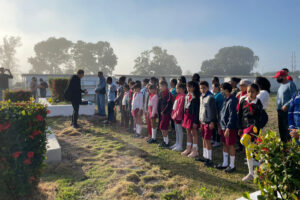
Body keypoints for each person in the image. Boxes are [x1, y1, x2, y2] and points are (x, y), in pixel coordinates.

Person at [238, 83, 263, 182]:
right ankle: (251, 173)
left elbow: (260, 118)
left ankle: (259, 160)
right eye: (248, 91)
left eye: (252, 92)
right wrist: (239, 127)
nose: (250, 94)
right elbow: (239, 115)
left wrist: (255, 128)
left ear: (257, 92)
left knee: (244, 142)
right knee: (248, 150)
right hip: (244, 127)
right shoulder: (243, 101)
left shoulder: (258, 103)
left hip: (253, 128)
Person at [215, 82, 238, 173]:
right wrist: (220, 125)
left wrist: (228, 128)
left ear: (227, 90)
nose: (221, 92)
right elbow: (222, 113)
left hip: (229, 128)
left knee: (230, 145)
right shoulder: (225, 99)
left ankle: (232, 165)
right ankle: (225, 163)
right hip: (223, 126)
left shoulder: (232, 100)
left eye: (222, 90)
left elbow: (232, 116)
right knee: (224, 144)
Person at [196, 81, 217, 166]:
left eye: (204, 88)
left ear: (208, 88)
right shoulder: (201, 96)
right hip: (202, 121)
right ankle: (205, 157)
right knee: (204, 139)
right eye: (201, 88)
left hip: (209, 122)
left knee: (208, 140)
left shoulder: (210, 97)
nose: (202, 90)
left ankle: (210, 159)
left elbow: (213, 111)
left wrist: (212, 121)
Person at [274, 70, 297, 142]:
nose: (277, 79)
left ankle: (289, 144)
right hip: (280, 110)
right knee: (281, 128)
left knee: (287, 128)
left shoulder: (290, 84)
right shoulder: (281, 86)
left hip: (287, 110)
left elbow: (294, 96)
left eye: (278, 77)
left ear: (284, 77)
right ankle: (283, 143)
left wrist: (287, 105)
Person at [181, 81, 200, 157]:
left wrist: (195, 121)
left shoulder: (196, 97)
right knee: (188, 132)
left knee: (194, 133)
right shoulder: (186, 96)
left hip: (193, 116)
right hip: (187, 116)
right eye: (187, 86)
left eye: (190, 87)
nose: (188, 88)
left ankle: (195, 150)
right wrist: (183, 117)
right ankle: (188, 149)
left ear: (194, 88)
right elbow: (184, 107)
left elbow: (197, 111)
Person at [171, 83, 186, 151]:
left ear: (181, 89)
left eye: (177, 88)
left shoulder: (183, 97)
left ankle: (180, 145)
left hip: (178, 117)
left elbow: (180, 109)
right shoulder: (178, 96)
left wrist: (175, 115)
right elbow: (175, 107)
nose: (176, 89)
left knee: (180, 131)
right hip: (175, 116)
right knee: (177, 130)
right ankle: (177, 143)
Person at [158, 80, 173, 148]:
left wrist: (164, 111)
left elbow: (169, 104)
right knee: (162, 127)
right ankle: (165, 141)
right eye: (160, 86)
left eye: (161, 86)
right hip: (162, 113)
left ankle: (166, 142)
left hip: (166, 113)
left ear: (165, 86)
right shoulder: (162, 93)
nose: (160, 88)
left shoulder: (168, 94)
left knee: (164, 128)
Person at [212, 82, 224, 147]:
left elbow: (214, 102)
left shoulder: (219, 95)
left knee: (217, 127)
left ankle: (218, 141)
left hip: (219, 114)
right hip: (216, 113)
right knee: (215, 127)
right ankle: (214, 139)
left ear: (217, 88)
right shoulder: (216, 94)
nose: (212, 88)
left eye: (213, 87)